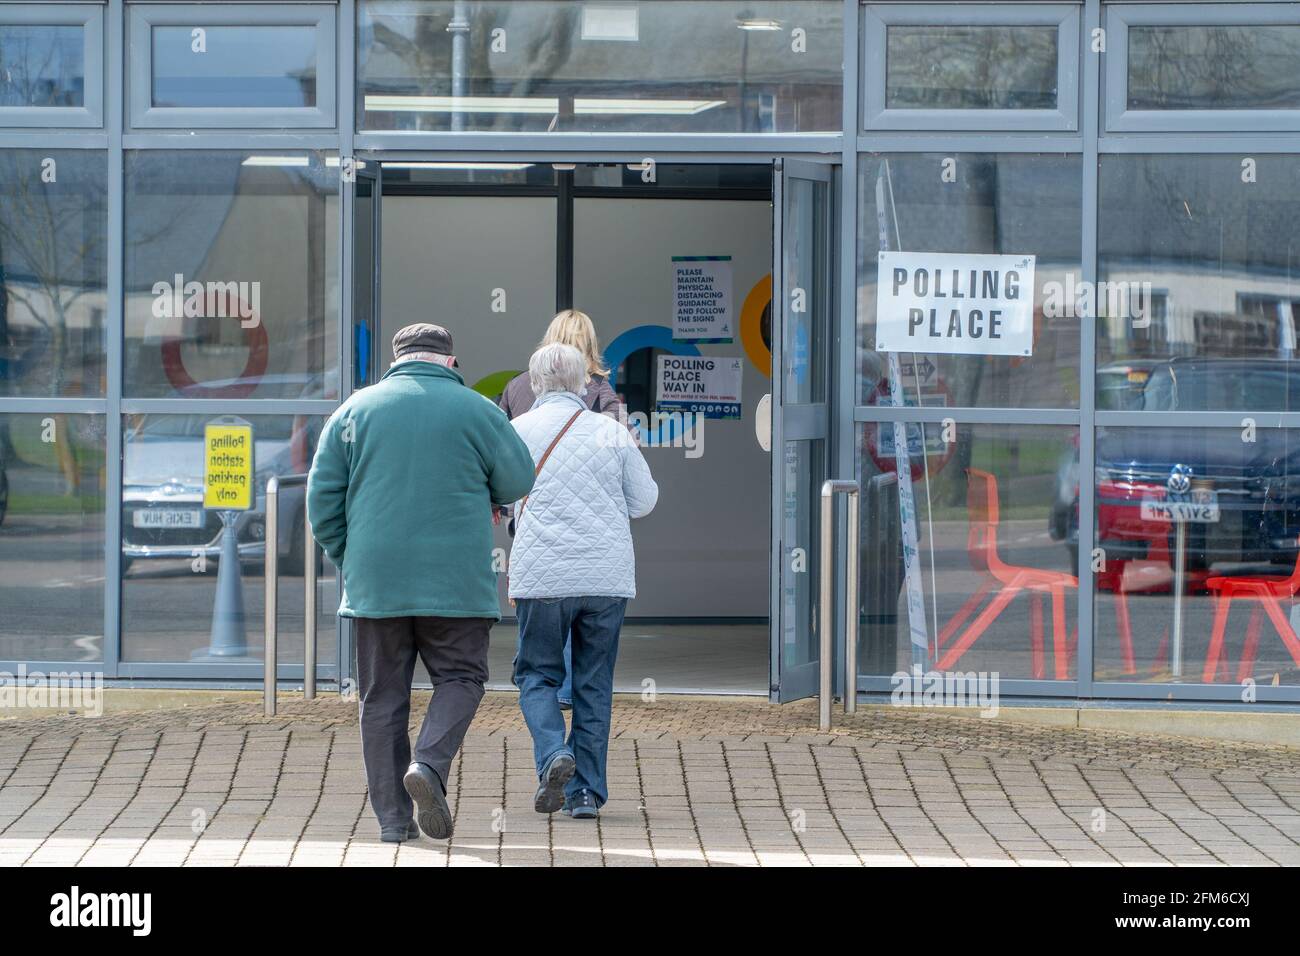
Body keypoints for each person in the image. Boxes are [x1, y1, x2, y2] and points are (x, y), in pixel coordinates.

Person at [307, 323, 535, 843]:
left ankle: (392, 822)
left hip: (376, 582)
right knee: (460, 678)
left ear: (396, 360)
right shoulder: (479, 410)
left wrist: (352, 557)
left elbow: (322, 502)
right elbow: (519, 478)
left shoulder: (354, 411)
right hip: (456, 582)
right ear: (450, 362)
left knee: (382, 697)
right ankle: (429, 764)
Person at [508, 343, 658, 820]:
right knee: (594, 683)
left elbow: (498, 495)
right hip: (605, 578)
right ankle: (586, 794)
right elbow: (645, 501)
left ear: (534, 385)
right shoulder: (610, 432)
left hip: (542, 578)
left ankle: (554, 753)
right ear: (583, 384)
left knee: (537, 675)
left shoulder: (516, 431)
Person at [498, 309, 627, 709]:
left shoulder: (517, 386)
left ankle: (538, 681)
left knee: (540, 596)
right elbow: (623, 442)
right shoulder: (600, 391)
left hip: (531, 507)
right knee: (578, 592)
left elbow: (498, 449)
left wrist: (498, 503)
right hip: (586, 514)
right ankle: (568, 688)